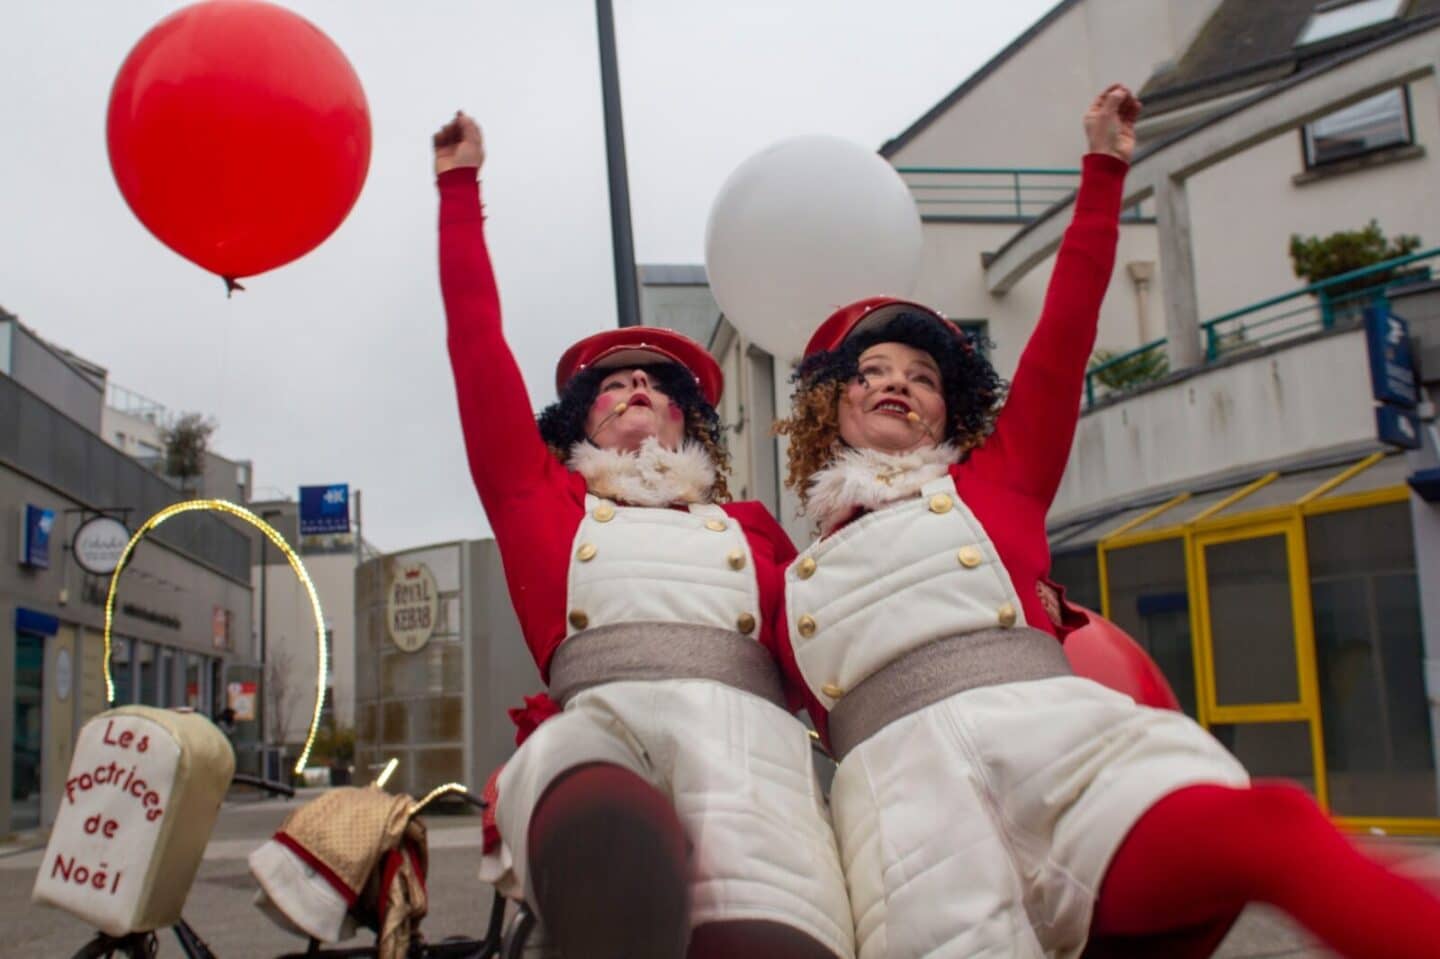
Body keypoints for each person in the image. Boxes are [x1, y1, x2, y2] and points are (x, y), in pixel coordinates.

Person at [774, 84, 1440, 959]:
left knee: (1270, 826)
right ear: (831, 402)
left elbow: (1066, 325)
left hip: (1071, 763)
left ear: (948, 413)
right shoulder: (780, 578)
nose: (899, 382)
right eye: (872, 369)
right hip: (908, 833)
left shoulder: (1001, 480)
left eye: (926, 376)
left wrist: (1103, 168)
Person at [433, 112, 852, 959]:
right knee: (606, 847)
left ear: (683, 419)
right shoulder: (541, 506)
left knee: (769, 944)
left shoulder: (750, 529)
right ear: (580, 418)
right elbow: (479, 354)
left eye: (653, 385)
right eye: (611, 384)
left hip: (751, 762)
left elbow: (823, 653)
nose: (632, 388)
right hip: (603, 740)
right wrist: (458, 194)